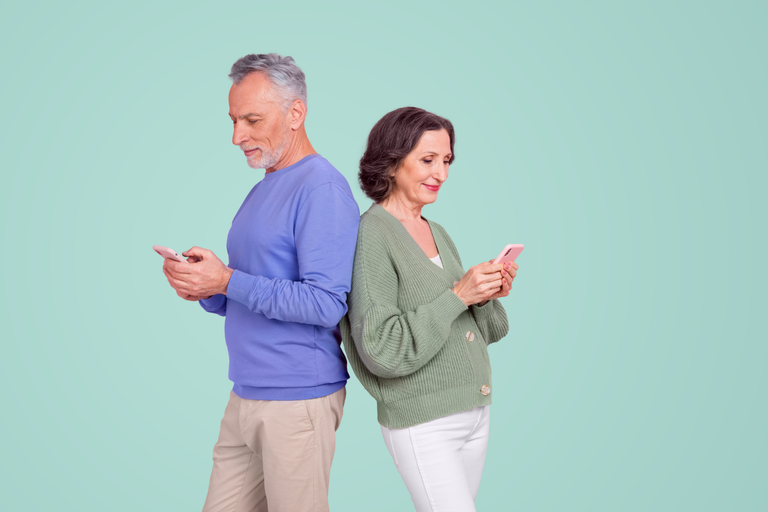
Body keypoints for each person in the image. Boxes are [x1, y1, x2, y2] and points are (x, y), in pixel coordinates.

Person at [162, 53, 360, 512]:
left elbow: (326, 303)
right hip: (245, 394)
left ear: (296, 113)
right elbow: (247, 293)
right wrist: (205, 287)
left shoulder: (321, 188)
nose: (237, 137)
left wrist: (227, 279)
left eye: (252, 119)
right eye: (233, 120)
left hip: (296, 401)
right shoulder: (263, 187)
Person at [341, 107, 518, 511]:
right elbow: (381, 348)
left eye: (447, 161)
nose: (442, 173)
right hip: (424, 421)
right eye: (428, 160)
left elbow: (488, 332)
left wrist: (486, 293)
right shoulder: (372, 235)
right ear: (391, 160)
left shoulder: (437, 230)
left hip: (474, 412)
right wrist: (459, 295)